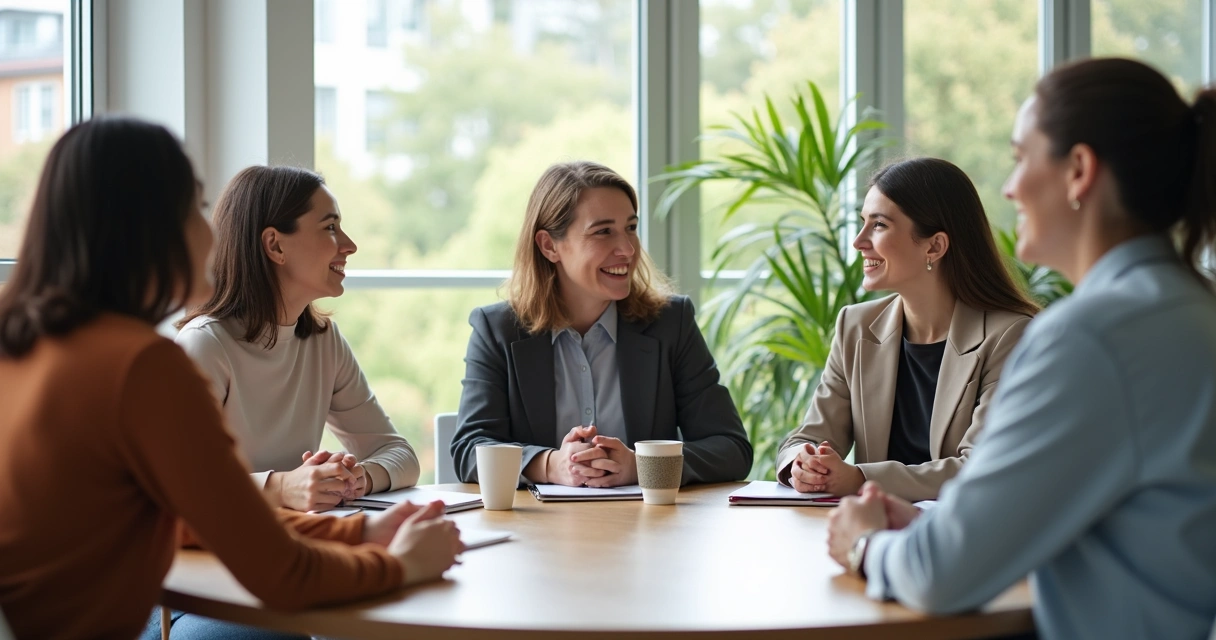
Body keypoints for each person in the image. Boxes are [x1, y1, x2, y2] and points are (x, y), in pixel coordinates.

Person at [0, 117, 462, 640]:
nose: (210, 230)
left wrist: (355, 530)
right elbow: (282, 575)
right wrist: (403, 566)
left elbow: (195, 514)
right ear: (144, 227)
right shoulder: (143, 367)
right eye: (195, 207)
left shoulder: (26, 346)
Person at [826, 57, 1216, 640]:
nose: (1008, 188)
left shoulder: (1087, 337)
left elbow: (940, 576)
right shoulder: (1194, 308)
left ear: (1079, 170)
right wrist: (940, 526)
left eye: (1019, 158)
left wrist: (863, 544)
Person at [451, 161, 752, 487]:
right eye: (603, 231)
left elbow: (731, 448)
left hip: (651, 532)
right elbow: (470, 449)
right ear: (549, 246)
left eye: (631, 228)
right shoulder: (497, 330)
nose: (627, 249)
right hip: (537, 533)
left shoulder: (670, 323)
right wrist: (551, 465)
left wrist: (642, 466)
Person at [775, 157, 1037, 501]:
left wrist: (859, 479)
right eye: (862, 223)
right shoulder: (855, 326)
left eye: (879, 225)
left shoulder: (1011, 336)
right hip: (872, 532)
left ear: (935, 246)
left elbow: (982, 466)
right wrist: (803, 464)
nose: (858, 241)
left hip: (965, 538)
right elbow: (807, 437)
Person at [176, 166, 420, 513]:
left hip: (295, 539)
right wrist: (281, 486)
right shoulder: (204, 345)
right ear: (275, 245)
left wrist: (355, 477)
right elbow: (181, 482)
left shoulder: (324, 342)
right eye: (330, 228)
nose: (350, 245)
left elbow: (402, 455)